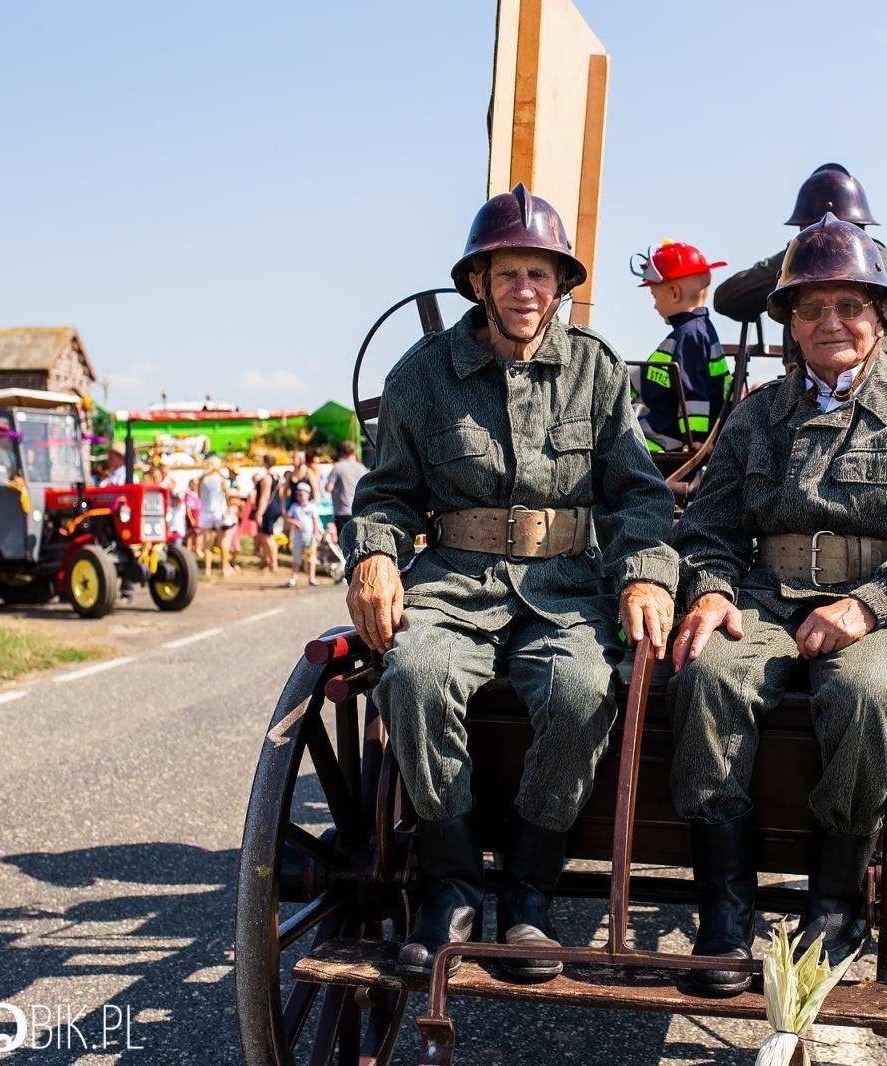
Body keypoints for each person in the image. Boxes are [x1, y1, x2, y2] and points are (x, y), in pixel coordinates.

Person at [341, 183, 677, 983]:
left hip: (565, 585)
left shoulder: (595, 372)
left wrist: (641, 576)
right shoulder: (422, 375)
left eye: (541, 275)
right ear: (479, 283)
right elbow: (385, 492)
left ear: (560, 287)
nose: (526, 290)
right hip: (453, 581)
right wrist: (375, 554)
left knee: (581, 690)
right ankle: (451, 883)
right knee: (414, 675)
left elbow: (637, 494)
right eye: (510, 274)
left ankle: (529, 892)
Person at [667, 214, 887, 995]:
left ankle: (836, 903)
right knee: (706, 673)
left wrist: (868, 606)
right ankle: (725, 907)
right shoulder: (755, 416)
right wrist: (709, 591)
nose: (831, 322)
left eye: (849, 306)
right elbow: (708, 532)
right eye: (811, 308)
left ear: (881, 318)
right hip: (767, 600)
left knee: (867, 691)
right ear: (790, 323)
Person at [713, 163, 887, 380]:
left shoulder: (800, 260)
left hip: (809, 396)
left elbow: (728, 299)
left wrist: (795, 257)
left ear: (805, 228)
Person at [627, 240, 729, 452]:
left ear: (674, 293)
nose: (655, 305)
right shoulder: (694, 332)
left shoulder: (689, 336)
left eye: (655, 296)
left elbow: (693, 392)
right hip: (664, 425)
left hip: (663, 437)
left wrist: (694, 439)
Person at [196, 456, 235, 577]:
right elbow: (228, 494)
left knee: (206, 542)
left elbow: (199, 495)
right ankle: (224, 568)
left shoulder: (202, 479)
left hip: (205, 511)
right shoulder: (221, 479)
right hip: (219, 512)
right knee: (223, 540)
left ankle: (207, 569)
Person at [323, 440, 367, 536]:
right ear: (354, 452)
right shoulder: (362, 468)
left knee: (345, 544)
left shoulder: (338, 467)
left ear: (342, 452)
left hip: (343, 510)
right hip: (359, 510)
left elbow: (328, 487)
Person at [284, 482, 321, 587]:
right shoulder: (295, 507)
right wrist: (294, 522)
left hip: (309, 536)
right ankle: (294, 577)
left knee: (311, 557)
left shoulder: (312, 507)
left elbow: (315, 521)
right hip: (298, 536)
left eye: (301, 495)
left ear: (308, 495)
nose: (299, 497)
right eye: (298, 495)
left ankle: (312, 577)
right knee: (296, 557)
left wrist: (316, 534)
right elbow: (288, 517)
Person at [253, 455, 282, 573]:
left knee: (268, 536)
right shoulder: (278, 477)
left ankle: (273, 563)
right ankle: (267, 561)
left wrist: (259, 513)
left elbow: (264, 497)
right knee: (265, 536)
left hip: (268, 509)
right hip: (276, 507)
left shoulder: (267, 478)